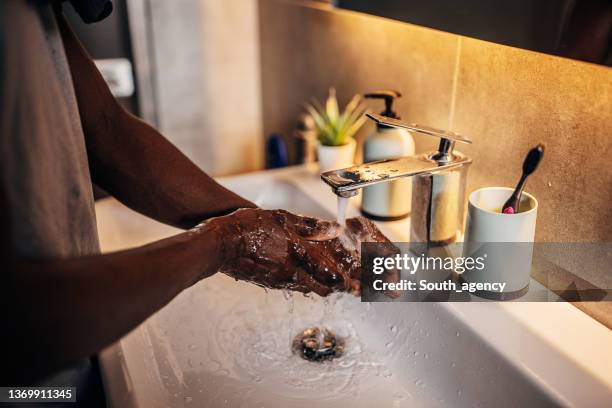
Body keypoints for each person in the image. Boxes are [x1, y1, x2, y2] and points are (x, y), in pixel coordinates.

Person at [0, 0, 389, 388]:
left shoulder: (33, 14)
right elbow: (22, 318)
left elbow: (107, 130)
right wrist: (222, 244)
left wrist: (265, 230)